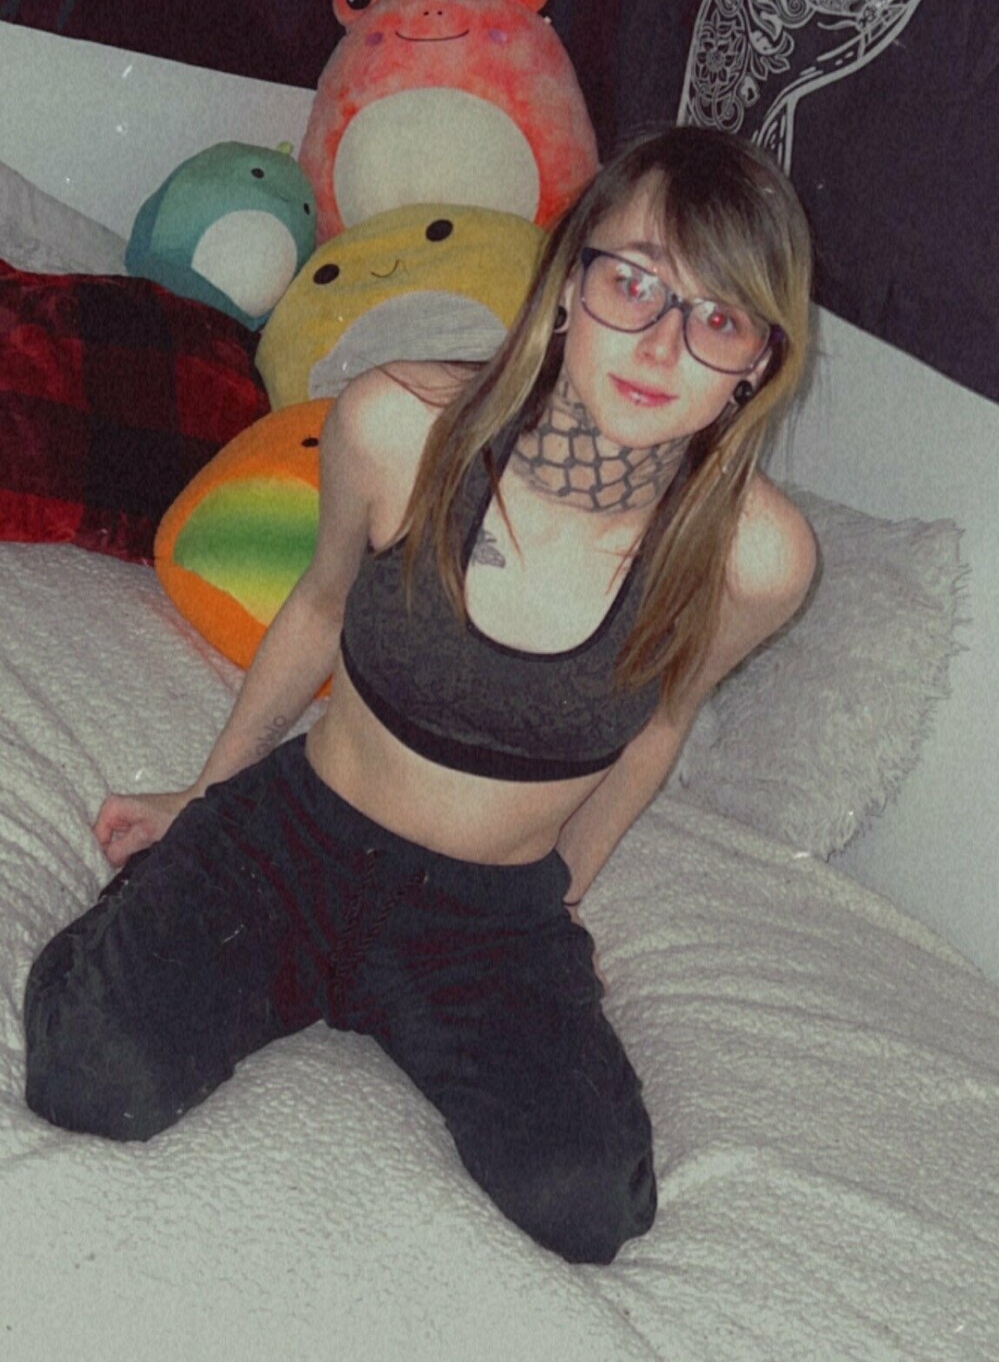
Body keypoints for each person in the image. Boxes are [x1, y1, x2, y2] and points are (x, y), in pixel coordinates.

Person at [24, 124, 816, 1266]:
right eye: (633, 284)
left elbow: (657, 726)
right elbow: (315, 608)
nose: (659, 344)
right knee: (90, 1075)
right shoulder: (401, 424)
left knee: (587, 1205)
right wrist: (204, 794)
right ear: (567, 283)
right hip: (295, 842)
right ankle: (160, 906)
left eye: (718, 318)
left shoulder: (754, 558)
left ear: (757, 362)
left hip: (487, 917)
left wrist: (560, 897)